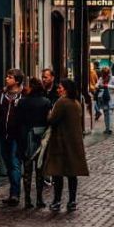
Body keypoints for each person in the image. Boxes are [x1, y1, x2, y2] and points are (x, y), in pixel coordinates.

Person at [44, 79, 89, 211]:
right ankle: (72, 200)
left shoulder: (62, 102)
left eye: (61, 88)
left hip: (61, 142)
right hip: (74, 142)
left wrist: (49, 114)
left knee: (57, 172)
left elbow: (52, 119)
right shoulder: (76, 103)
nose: (58, 90)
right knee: (72, 173)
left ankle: (57, 201)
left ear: (66, 89)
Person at [16, 77, 52, 208]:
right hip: (41, 137)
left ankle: (27, 200)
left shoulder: (22, 102)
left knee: (27, 170)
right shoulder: (46, 102)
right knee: (40, 169)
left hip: (26, 137)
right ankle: (39, 199)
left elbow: (18, 122)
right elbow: (49, 119)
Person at [0, 68, 25, 206]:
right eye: (7, 76)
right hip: (4, 134)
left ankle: (15, 194)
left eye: (10, 77)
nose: (6, 79)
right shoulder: (1, 94)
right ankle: (12, 192)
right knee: (8, 163)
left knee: (14, 163)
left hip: (17, 135)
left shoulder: (24, 95)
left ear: (17, 81)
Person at [96, 67, 114, 135]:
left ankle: (110, 129)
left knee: (109, 113)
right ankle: (107, 128)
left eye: (106, 73)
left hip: (111, 98)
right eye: (103, 73)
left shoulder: (113, 78)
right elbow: (96, 85)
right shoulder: (101, 78)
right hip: (104, 98)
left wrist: (107, 85)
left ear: (108, 73)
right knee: (106, 114)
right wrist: (98, 86)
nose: (105, 75)